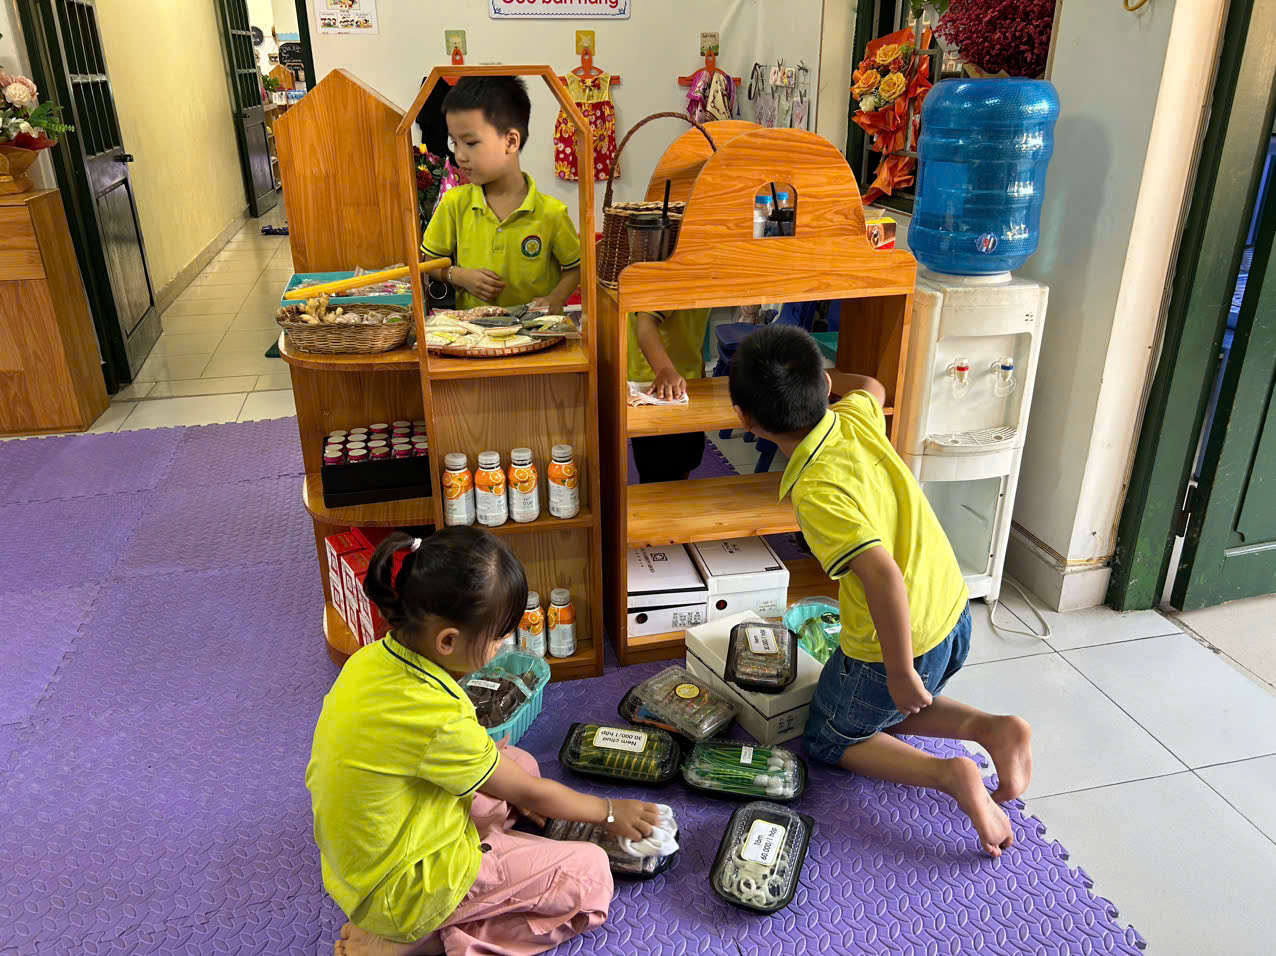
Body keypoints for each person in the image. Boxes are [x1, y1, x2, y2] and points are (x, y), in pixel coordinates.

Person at [728, 326, 1033, 857]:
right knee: (888, 708)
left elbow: (882, 574)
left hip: (899, 640)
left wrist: (898, 670)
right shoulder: (854, 416)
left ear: (744, 419)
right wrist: (825, 380)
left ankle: (951, 774)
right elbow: (871, 384)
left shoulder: (816, 489)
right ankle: (992, 728)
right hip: (951, 610)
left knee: (830, 736)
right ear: (826, 385)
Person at [308, 527, 660, 956]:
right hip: (404, 894)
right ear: (448, 641)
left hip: (361, 865)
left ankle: (444, 902)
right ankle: (418, 941)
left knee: (520, 764)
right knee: (590, 875)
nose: (503, 644)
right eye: (498, 636)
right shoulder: (437, 720)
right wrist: (609, 811)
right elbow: (529, 793)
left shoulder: (371, 659)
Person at [421, 76, 581, 315]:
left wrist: (556, 297)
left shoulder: (552, 212)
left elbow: (576, 268)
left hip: (536, 331)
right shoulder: (454, 203)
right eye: (455, 143)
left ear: (511, 141)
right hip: (474, 333)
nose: (460, 156)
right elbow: (429, 262)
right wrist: (459, 276)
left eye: (470, 143)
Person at [628, 308, 712, 483]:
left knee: (686, 461)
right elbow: (645, 324)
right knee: (659, 471)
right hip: (655, 384)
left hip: (685, 380)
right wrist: (664, 369)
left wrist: (700, 371)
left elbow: (694, 328)